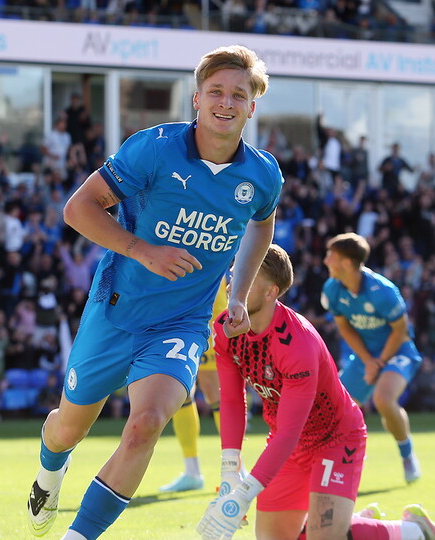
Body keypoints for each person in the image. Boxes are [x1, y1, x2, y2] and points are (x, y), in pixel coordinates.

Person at [26, 44, 283, 539]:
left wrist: (237, 295)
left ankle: (77, 536)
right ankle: (48, 473)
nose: (225, 103)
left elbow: (261, 228)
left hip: (182, 321)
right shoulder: (154, 148)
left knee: (146, 423)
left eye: (238, 94)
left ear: (252, 105)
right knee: (66, 429)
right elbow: (78, 209)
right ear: (196, 98)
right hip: (116, 310)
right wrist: (143, 250)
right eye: (215, 92)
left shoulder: (263, 174)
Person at [196, 245, 435, 540]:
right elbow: (231, 400)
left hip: (335, 438)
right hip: (287, 443)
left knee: (325, 538)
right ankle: (351, 522)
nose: (231, 283)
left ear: (270, 292)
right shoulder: (225, 328)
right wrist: (229, 474)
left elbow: (290, 431)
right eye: (233, 273)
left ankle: (413, 531)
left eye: (244, 277)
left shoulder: (297, 345)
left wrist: (243, 495)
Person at [321, 233, 423, 484]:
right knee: (335, 409)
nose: (325, 261)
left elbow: (400, 331)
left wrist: (378, 363)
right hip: (366, 356)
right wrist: (368, 360)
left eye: (331, 256)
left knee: (383, 399)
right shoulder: (332, 289)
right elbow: (345, 328)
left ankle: (407, 455)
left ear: (346, 263)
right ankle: (341, 466)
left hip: (398, 351)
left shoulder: (383, 291)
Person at [159, 280, 226, 493]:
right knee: (181, 392)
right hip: (178, 319)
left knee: (215, 391)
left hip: (210, 315)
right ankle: (192, 471)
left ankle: (235, 468)